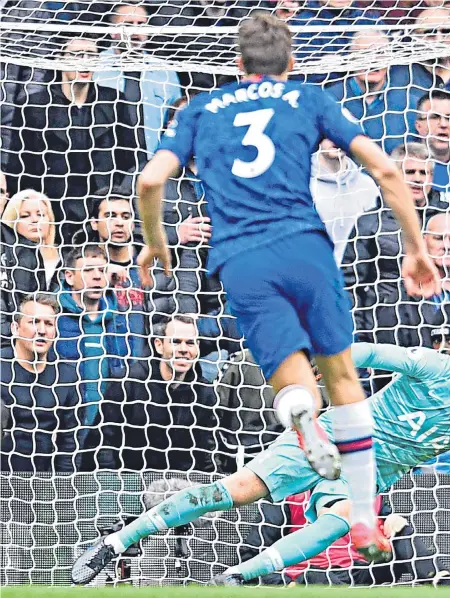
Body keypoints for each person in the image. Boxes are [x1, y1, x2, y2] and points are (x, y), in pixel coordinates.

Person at [135, 13, 440, 555]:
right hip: (304, 246)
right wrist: (416, 247)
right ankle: (365, 519)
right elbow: (389, 172)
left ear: (237, 63)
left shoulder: (203, 108)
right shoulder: (309, 100)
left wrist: (156, 242)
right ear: (293, 63)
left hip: (240, 258)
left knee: (290, 378)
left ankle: (298, 412)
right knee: (342, 377)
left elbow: (152, 179)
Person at [71, 340, 450, 585]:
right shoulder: (435, 366)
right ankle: (115, 543)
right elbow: (370, 354)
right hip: (339, 433)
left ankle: (237, 576)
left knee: (341, 522)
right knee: (235, 492)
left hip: (371, 474)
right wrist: (330, 364)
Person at [5, 35, 136, 244]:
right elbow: (19, 168)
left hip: (101, 215)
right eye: (76, 55)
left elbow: (131, 160)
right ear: (60, 59)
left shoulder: (115, 102)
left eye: (91, 55)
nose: (84, 61)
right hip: (53, 215)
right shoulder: (34, 107)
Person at [81, 314, 217, 472]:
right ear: (159, 345)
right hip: (128, 483)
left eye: (190, 343)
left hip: (181, 486)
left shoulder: (204, 393)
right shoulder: (128, 383)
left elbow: (206, 452)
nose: (183, 349)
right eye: (176, 342)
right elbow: (102, 443)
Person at [342, 142, 448, 342]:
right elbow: (350, 286)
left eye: (423, 173)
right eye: (410, 172)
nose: (417, 178)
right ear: (396, 177)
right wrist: (360, 336)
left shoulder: (446, 217)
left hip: (441, 326)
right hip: (388, 328)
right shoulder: (371, 223)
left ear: (432, 177)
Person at [56, 245, 147, 439]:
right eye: (88, 270)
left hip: (109, 430)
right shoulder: (54, 317)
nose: (97, 276)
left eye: (103, 270)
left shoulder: (119, 320)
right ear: (69, 276)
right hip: (64, 427)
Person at [94, 2, 181, 172]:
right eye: (128, 25)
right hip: (104, 166)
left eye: (141, 25)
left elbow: (176, 119)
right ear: (113, 32)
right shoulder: (96, 67)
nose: (135, 31)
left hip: (153, 167)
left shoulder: (165, 71)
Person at [1, 294, 79, 472]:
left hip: (44, 485)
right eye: (34, 322)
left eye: (48, 324)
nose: (42, 330)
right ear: (15, 328)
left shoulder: (66, 376)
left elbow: (69, 442)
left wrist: (62, 487)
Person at [327, 29, 426, 154]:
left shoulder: (412, 105)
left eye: (380, 54)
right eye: (365, 54)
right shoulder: (328, 99)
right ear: (351, 59)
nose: (373, 61)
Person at [86, 187, 150, 357]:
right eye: (110, 216)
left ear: (133, 223)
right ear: (94, 223)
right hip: (100, 364)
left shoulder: (153, 265)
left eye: (125, 217)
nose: (119, 223)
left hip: (147, 371)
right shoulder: (78, 268)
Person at [311, 138, 379, 263]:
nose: (335, 139)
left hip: (357, 274)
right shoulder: (303, 184)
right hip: (316, 270)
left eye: (338, 134)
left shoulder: (366, 185)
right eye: (328, 135)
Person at [1, 189, 61, 290]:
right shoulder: (5, 258)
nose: (35, 220)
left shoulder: (66, 257)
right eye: (25, 216)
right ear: (12, 221)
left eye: (40, 214)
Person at [413, 89, 450, 195]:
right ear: (419, 126)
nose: (443, 124)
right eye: (434, 117)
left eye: (449, 118)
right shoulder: (406, 168)